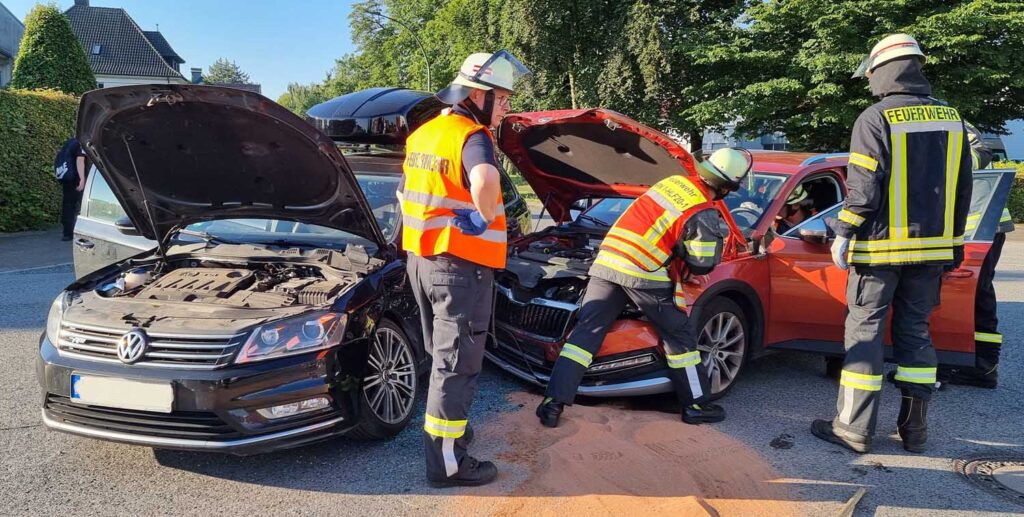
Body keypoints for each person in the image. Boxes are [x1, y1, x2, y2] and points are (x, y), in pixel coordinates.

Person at [811, 34, 972, 454]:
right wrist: (954, 247)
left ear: (882, 70)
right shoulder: (952, 119)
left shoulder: (875, 117)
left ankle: (853, 429)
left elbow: (863, 189)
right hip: (932, 253)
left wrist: (844, 232)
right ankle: (914, 432)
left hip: (878, 252)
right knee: (916, 333)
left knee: (863, 335)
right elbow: (963, 189)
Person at [536, 147, 753, 428]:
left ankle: (553, 403)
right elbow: (701, 264)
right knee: (679, 337)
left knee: (585, 334)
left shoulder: (670, 182)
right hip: (644, 273)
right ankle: (696, 405)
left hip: (607, 262)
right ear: (727, 187)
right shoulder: (703, 211)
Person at [400, 50, 530, 488]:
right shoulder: (472, 135)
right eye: (504, 99)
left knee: (441, 359)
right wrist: (483, 212)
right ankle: (448, 463)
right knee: (455, 366)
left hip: (422, 262)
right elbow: (486, 183)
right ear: (479, 94)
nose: (507, 108)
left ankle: (449, 432)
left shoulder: (424, 134)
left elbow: (404, 197)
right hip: (460, 269)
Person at [939, 123, 1012, 389]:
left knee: (974, 296)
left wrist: (938, 164)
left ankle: (983, 366)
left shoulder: (953, 123)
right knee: (973, 296)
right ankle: (976, 363)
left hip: (978, 227)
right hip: (969, 227)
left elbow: (982, 154)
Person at [55, 137, 88, 241]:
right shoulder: (82, 142)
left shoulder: (69, 142)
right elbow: (80, 159)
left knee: (68, 205)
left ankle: (67, 233)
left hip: (67, 178)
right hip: (76, 179)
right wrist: (82, 178)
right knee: (84, 205)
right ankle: (85, 232)